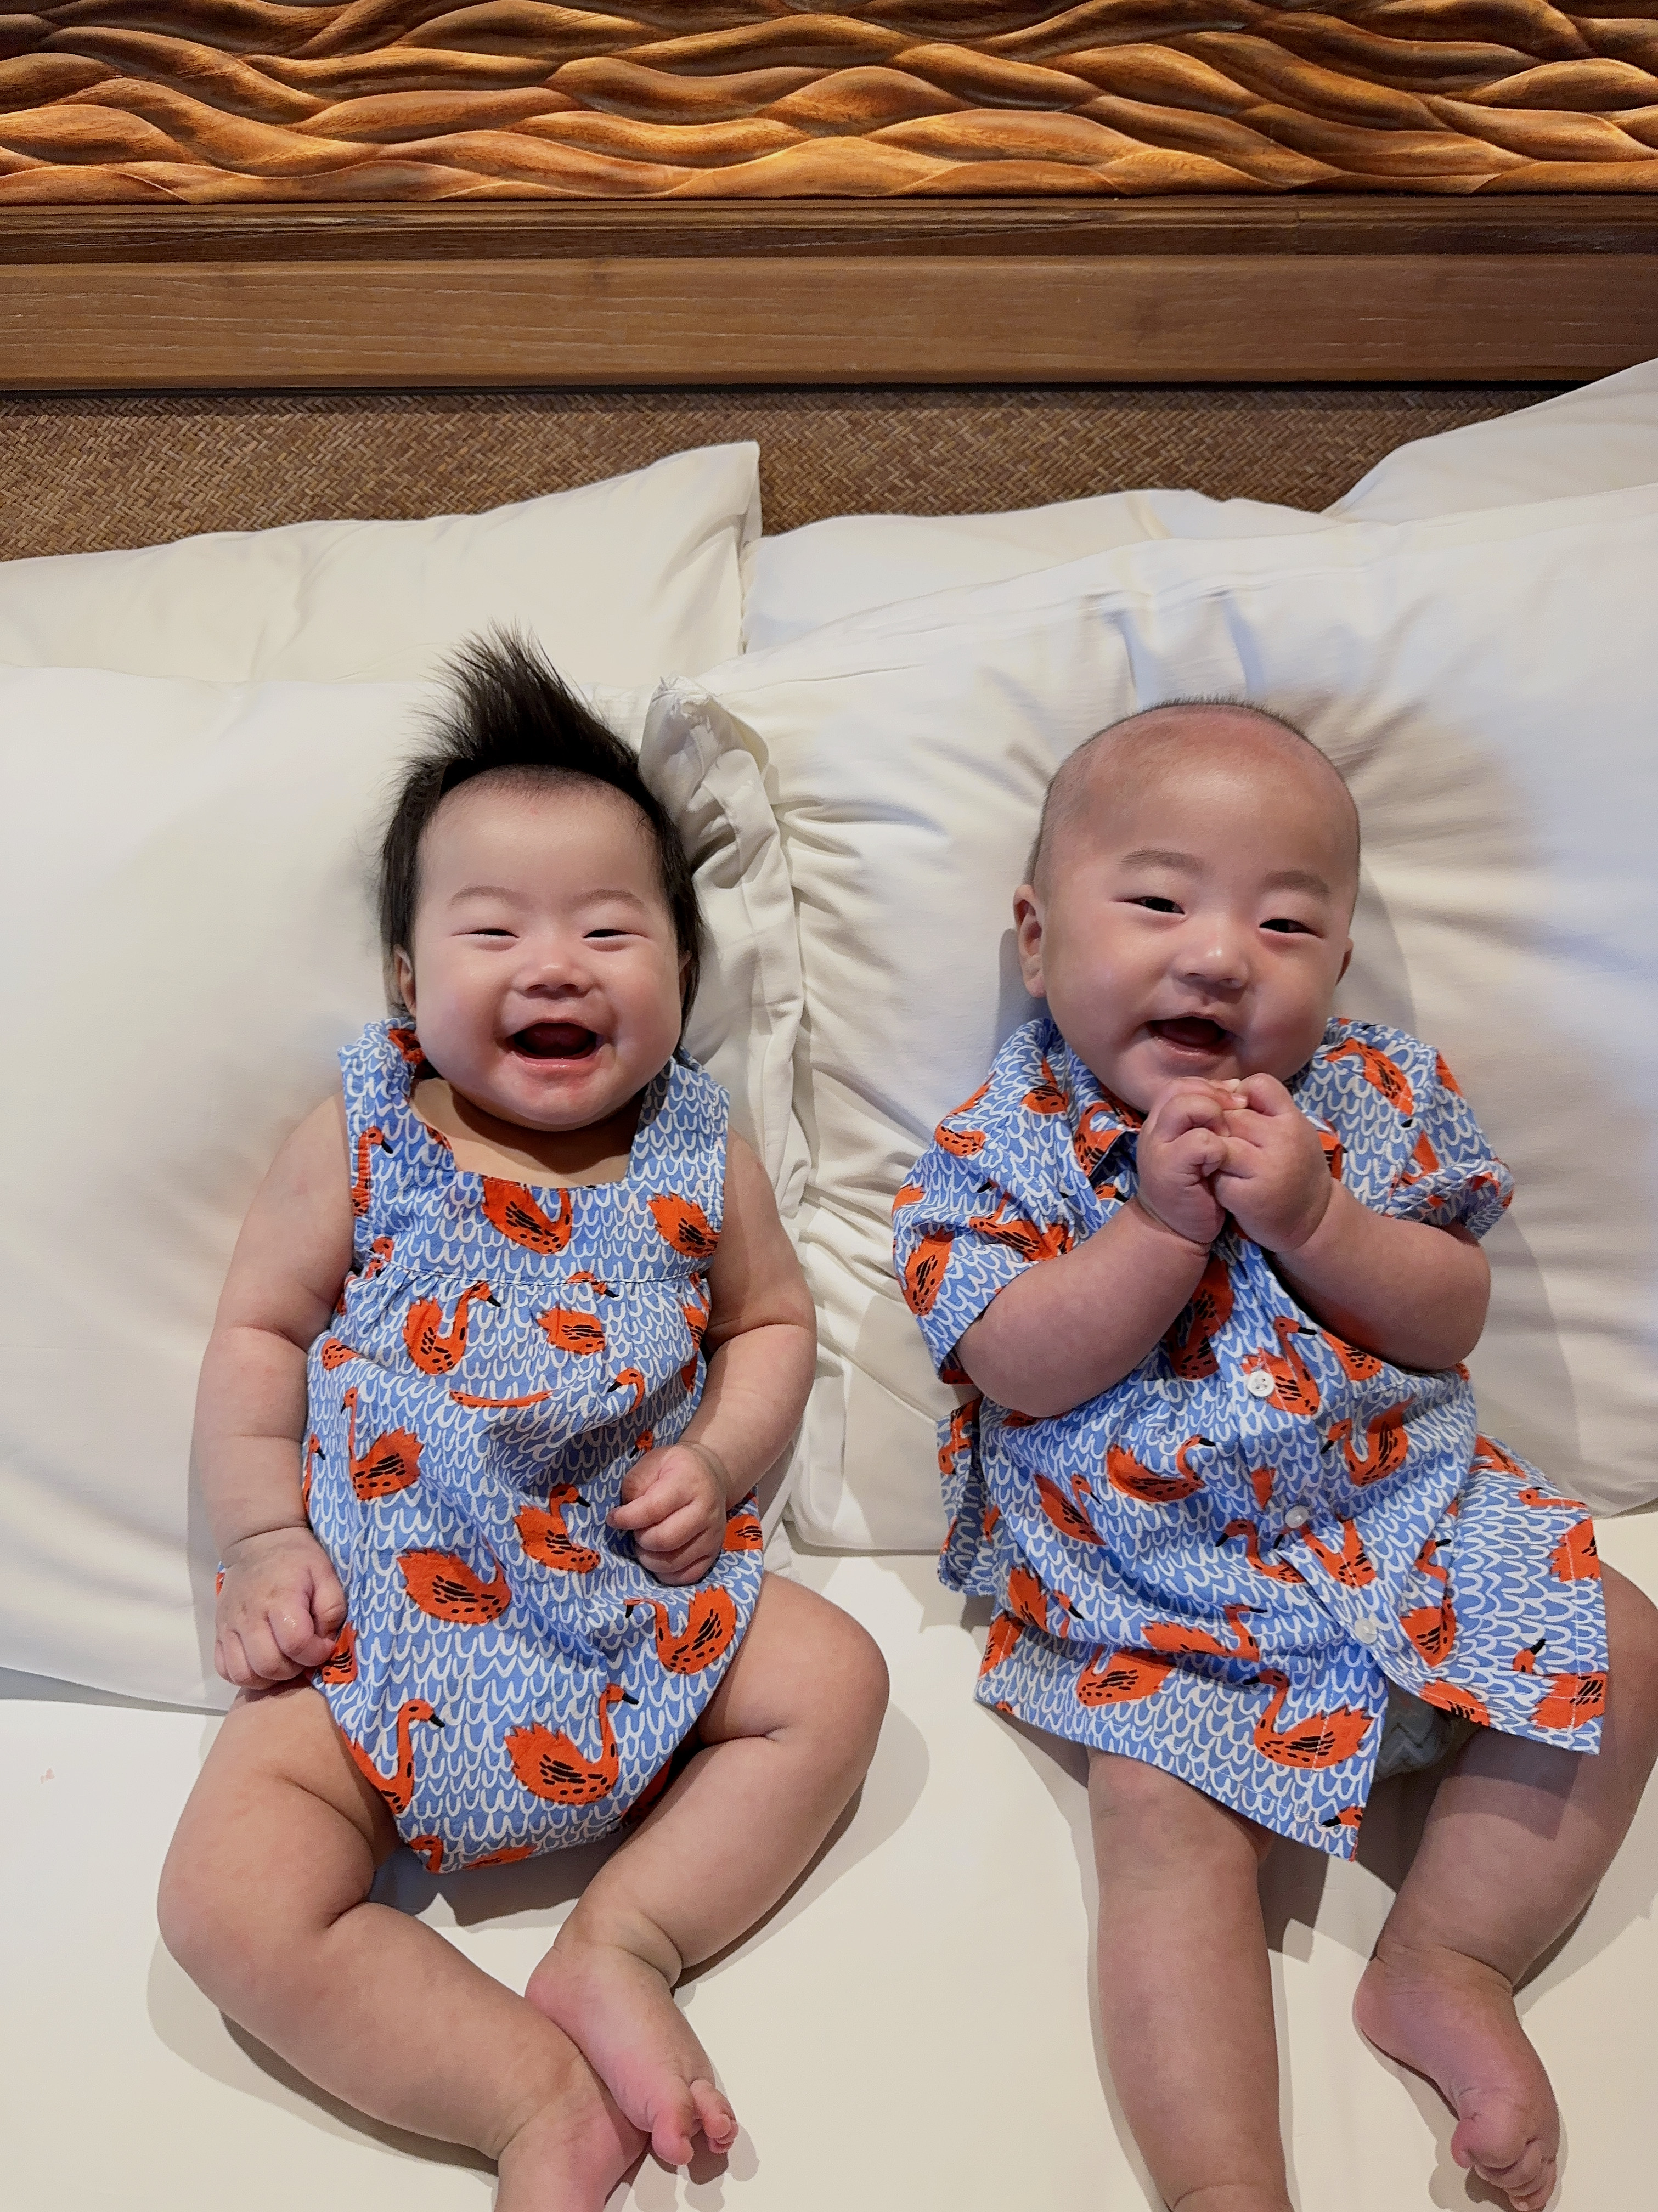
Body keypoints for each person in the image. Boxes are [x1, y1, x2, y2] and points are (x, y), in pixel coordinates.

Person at [893, 700, 1658, 2212]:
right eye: (1158, 901)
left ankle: (1449, 1959)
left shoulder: (1376, 1095)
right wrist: (1154, 1230)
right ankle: (1224, 2184)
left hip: (1413, 1528)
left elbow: (1450, 1316)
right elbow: (1011, 1361)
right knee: (1162, 1835)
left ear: (1340, 963)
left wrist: (1321, 1221)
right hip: (1156, 1602)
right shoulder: (1006, 1137)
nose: (1222, 955)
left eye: (1287, 923)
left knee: (1625, 1648)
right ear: (1038, 940)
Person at [160, 634, 887, 2210]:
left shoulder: (696, 1145)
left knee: (836, 1682)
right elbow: (261, 1332)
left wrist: (719, 1458)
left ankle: (624, 1939)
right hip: (380, 1624)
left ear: (681, 972)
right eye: (493, 930)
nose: (555, 965)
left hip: (631, 1595)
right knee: (226, 1903)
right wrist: (266, 1538)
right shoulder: (364, 1129)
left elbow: (771, 1322)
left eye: (611, 931)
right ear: (407, 981)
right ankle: (530, 2100)